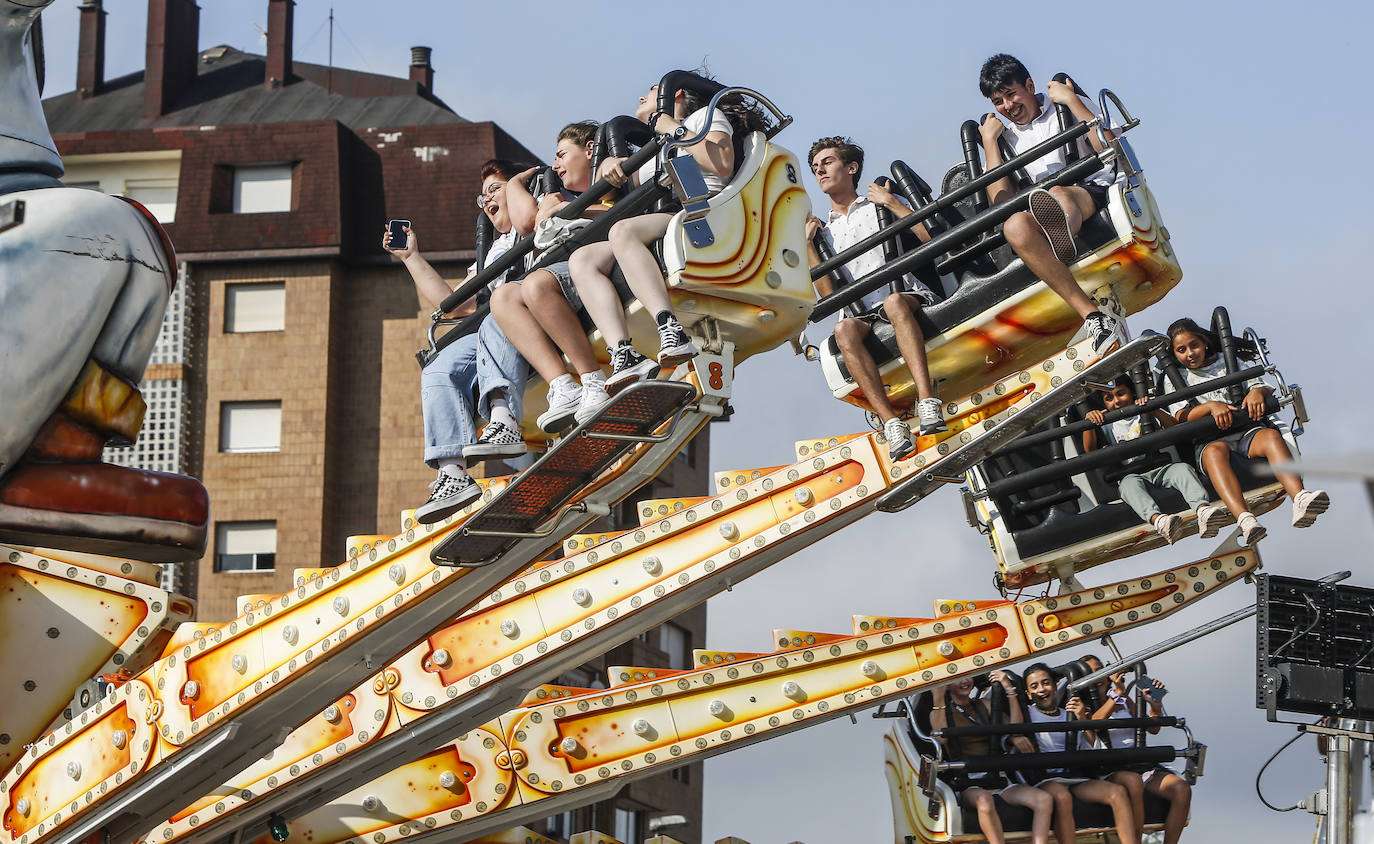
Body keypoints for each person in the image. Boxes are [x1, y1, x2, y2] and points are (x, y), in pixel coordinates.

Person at [572, 80, 766, 399]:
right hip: (670, 217)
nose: (639, 96)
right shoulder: (657, 143)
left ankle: (669, 327)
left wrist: (672, 128)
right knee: (584, 260)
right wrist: (608, 167)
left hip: (703, 209)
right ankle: (624, 352)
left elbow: (720, 162)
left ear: (674, 93)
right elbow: (619, 191)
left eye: (647, 91)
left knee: (623, 231)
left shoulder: (702, 118)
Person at [384, 159, 527, 524]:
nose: (487, 200)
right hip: (494, 329)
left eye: (495, 189)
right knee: (437, 368)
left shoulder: (536, 218)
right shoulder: (494, 251)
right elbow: (455, 304)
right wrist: (411, 257)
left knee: (499, 305)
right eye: (482, 197)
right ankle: (452, 471)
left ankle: (503, 417)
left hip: (528, 315)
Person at [805, 136, 947, 460]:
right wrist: (809, 246)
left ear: (851, 167)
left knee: (894, 303)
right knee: (842, 331)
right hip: (861, 312)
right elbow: (828, 297)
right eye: (815, 168)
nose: (820, 170)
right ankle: (891, 422)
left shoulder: (877, 205)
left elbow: (930, 237)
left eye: (827, 162)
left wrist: (892, 202)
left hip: (901, 294)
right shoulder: (822, 231)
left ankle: (927, 401)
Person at [977, 53, 1126, 359]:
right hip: (1039, 209)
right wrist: (991, 143)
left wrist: (1072, 101)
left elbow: (1109, 144)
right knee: (1014, 225)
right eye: (998, 102)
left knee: (1060, 192)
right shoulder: (1005, 138)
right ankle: (1092, 316)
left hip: (1089, 190)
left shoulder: (1065, 104)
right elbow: (1000, 201)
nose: (1008, 106)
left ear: (1030, 85)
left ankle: (1062, 235)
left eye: (1011, 94)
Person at [490, 121, 612, 433]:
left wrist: (572, 209)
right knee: (502, 298)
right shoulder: (564, 195)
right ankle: (564, 387)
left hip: (596, 261)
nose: (555, 165)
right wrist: (519, 186)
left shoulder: (612, 178)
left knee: (536, 284)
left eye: (561, 155)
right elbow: (528, 222)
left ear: (589, 151)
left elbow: (623, 213)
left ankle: (592, 380)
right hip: (564, 267)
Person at [1166, 317, 1329, 544]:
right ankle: (1245, 519)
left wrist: (1257, 393)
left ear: (1204, 343)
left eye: (1194, 345)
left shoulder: (1228, 362)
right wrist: (1211, 407)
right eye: (1182, 350)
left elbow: (1259, 386)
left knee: (1271, 436)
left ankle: (1300, 498)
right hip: (1210, 441)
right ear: (1175, 354)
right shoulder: (1175, 379)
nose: (1190, 353)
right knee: (1215, 453)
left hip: (1245, 432)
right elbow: (1180, 415)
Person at [930, 672, 1074, 844]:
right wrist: (938, 697)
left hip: (998, 778)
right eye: (957, 679)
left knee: (1043, 800)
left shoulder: (984, 705)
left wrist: (1009, 690)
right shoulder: (941, 712)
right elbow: (941, 738)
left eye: (967, 676)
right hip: (969, 783)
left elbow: (1014, 727)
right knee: (985, 801)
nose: (964, 681)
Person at [1082, 375, 1229, 543]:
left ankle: (1203, 510)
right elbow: (1090, 450)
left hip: (1162, 468)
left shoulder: (1144, 411)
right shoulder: (1108, 424)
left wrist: (1153, 409)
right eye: (1109, 398)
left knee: (1182, 469)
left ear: (1132, 393)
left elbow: (1173, 426)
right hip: (1133, 474)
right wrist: (1090, 424)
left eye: (1121, 394)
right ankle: (1160, 521)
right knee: (1127, 487)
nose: (1116, 401)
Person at [1021, 662, 1141, 844]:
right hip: (1046, 779)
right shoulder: (1027, 714)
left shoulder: (1068, 712)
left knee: (1117, 793)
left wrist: (1082, 720)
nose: (1041, 690)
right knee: (1062, 796)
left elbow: (1092, 747)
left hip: (1074, 777)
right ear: (1028, 694)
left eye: (1045, 683)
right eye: (1034, 686)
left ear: (1055, 685)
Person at [1082, 656, 1193, 844]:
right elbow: (1095, 725)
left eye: (1100, 670)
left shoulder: (1124, 699)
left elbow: (1153, 728)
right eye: (1092, 672)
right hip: (1110, 768)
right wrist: (1116, 693)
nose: (1098, 676)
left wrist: (1154, 705)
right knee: (1133, 781)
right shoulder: (1085, 704)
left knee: (1182, 788)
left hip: (1140, 764)